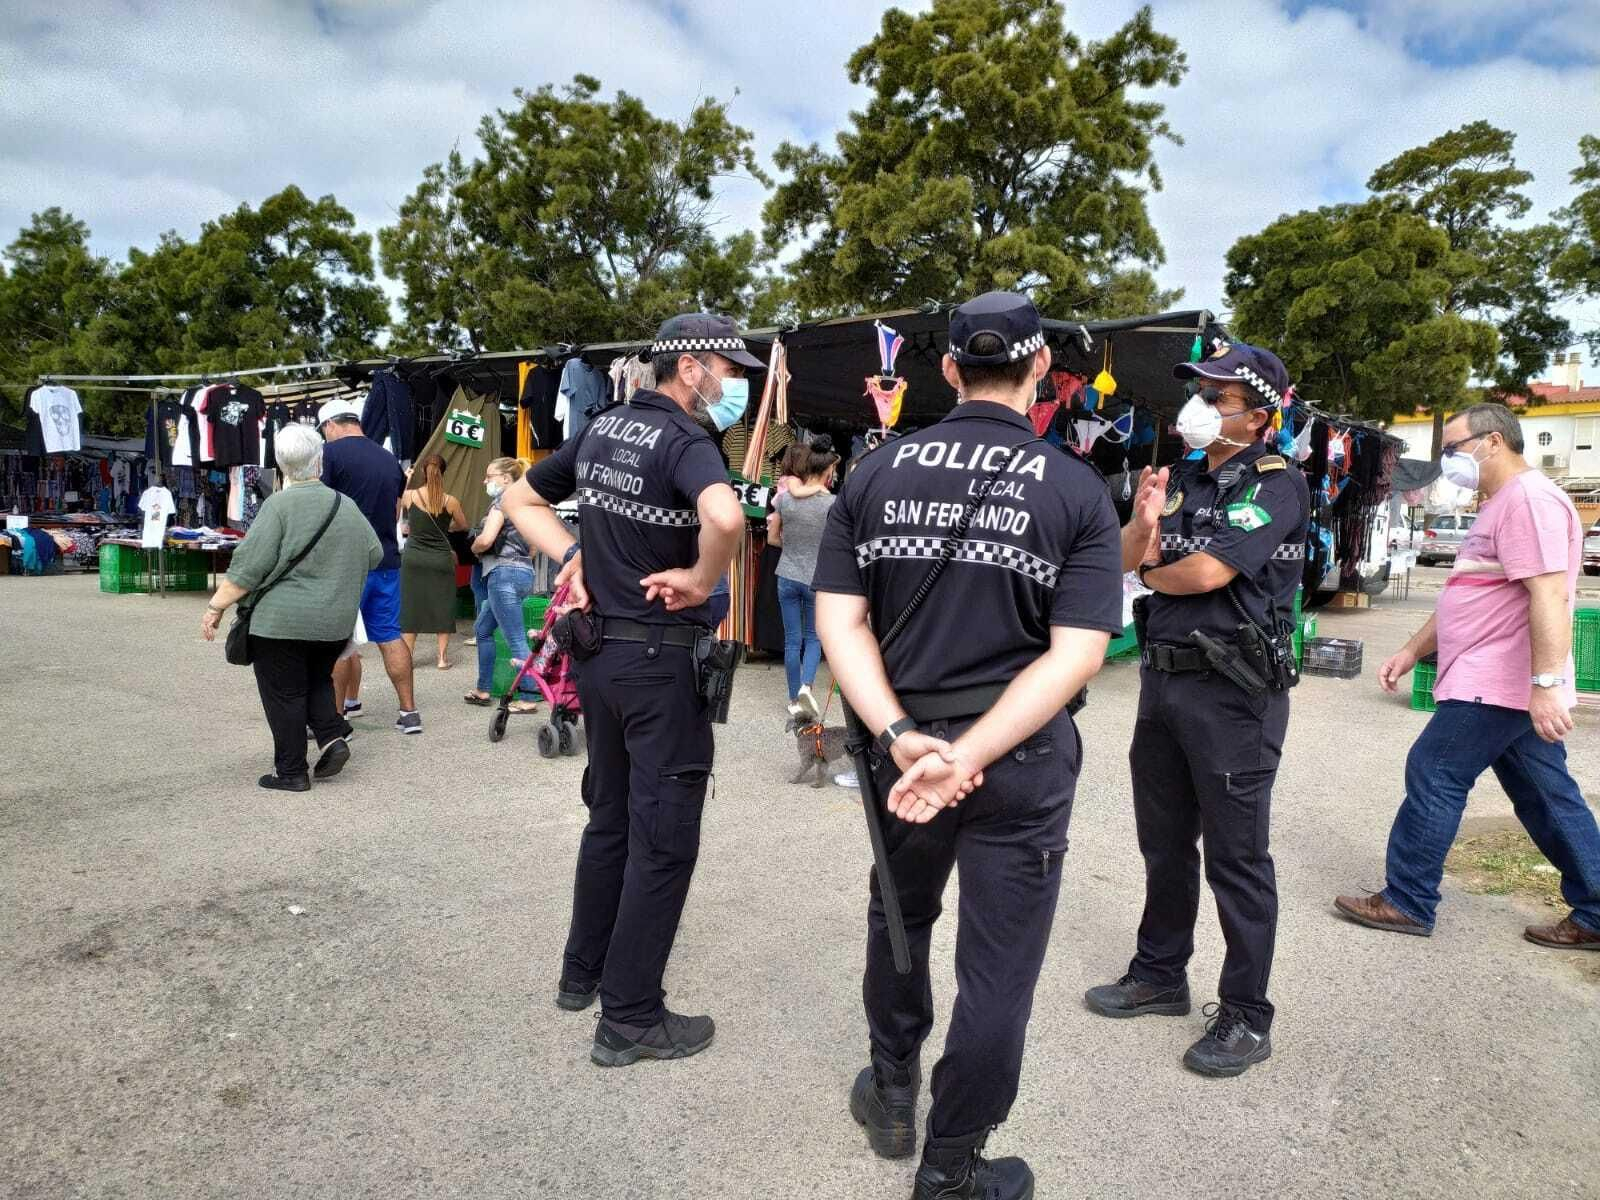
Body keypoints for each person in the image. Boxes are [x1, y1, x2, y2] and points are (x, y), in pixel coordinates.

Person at [814, 292, 1123, 1199]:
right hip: (1018, 757)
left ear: (946, 369)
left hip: (904, 755)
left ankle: (895, 1089)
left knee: (900, 920)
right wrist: (973, 749)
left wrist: (907, 737)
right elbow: (1079, 653)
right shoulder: (1074, 486)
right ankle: (950, 1162)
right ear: (1040, 374)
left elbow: (842, 622)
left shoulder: (873, 472)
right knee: (1001, 962)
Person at [500, 312, 751, 1067]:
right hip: (659, 664)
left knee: (608, 819)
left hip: (599, 658)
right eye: (729, 369)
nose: (735, 383)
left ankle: (583, 974)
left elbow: (518, 500)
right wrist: (704, 578)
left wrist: (575, 551)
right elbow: (726, 515)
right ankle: (631, 1015)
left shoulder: (605, 428)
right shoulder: (685, 441)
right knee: (664, 837)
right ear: (693, 367)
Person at [1083, 342, 1308, 1080]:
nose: (1202, 409)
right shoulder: (1176, 479)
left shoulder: (1277, 484)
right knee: (1164, 843)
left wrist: (1148, 569)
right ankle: (1159, 973)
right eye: (1200, 393)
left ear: (1260, 412)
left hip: (1234, 692)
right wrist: (1144, 528)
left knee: (1238, 857)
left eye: (1219, 397)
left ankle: (1246, 1013)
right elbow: (1122, 559)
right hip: (1165, 684)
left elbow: (1210, 571)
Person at [1335, 402, 1600, 949]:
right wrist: (1412, 649)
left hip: (1499, 678)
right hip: (1497, 678)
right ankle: (1597, 908)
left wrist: (1547, 685)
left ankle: (1408, 900)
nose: (1448, 459)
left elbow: (1549, 593)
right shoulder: (1503, 502)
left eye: (1454, 447)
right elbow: (1469, 591)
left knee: (1434, 770)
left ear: (1494, 441)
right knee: (1545, 794)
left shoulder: (1529, 501)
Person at [200, 424, 381, 791]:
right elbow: (374, 554)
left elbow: (249, 567)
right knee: (315, 680)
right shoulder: (345, 505)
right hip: (333, 622)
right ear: (320, 461)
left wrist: (215, 607)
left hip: (281, 623)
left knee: (284, 695)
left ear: (281, 465)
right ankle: (332, 737)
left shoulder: (278, 506)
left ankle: (291, 771)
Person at [319, 399, 421, 734]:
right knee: (390, 635)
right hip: (386, 558)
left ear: (331, 424)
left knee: (340, 641)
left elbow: (322, 508)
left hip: (345, 565)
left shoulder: (329, 455)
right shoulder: (388, 458)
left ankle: (336, 719)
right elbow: (395, 512)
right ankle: (409, 713)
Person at [768, 437, 839, 725]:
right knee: (813, 637)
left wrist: (795, 546)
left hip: (786, 574)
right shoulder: (832, 504)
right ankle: (806, 688)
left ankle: (793, 700)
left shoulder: (784, 499)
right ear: (827, 472)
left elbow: (773, 538)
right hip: (816, 579)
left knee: (791, 641)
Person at [464, 457, 539, 712]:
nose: (485, 481)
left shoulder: (502, 503)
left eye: (489, 476)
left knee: (515, 637)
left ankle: (529, 695)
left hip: (502, 573)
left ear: (506, 479)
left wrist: (473, 548)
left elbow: (486, 540)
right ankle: (483, 688)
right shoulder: (527, 506)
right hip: (524, 573)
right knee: (483, 629)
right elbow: (532, 548)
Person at [399, 453, 468, 670]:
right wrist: (447, 529)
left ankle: (408, 658)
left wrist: (405, 481)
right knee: (443, 605)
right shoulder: (451, 501)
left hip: (413, 559)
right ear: (444, 472)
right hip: (440, 558)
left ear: (422, 472)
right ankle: (441, 658)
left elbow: (395, 514)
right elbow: (463, 526)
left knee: (411, 607)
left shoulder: (409, 496)